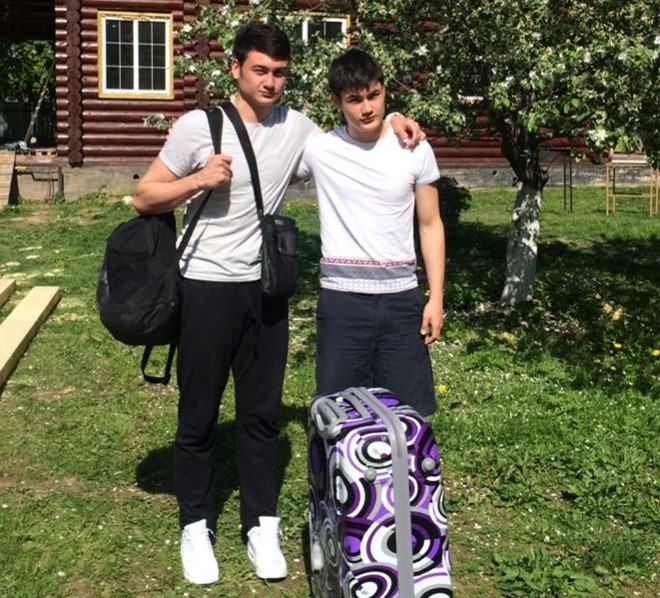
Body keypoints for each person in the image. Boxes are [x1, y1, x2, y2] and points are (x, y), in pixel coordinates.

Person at [132, 23, 423, 586]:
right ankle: (195, 525)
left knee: (262, 415)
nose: (270, 81)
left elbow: (354, 128)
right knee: (198, 414)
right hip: (205, 287)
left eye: (280, 73)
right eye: (260, 70)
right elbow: (145, 196)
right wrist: (198, 179)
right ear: (236, 69)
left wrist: (393, 120)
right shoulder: (200, 126)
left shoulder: (298, 129)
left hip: (265, 290)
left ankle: (261, 523)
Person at [297, 49, 445, 417]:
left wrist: (436, 298)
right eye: (354, 99)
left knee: (408, 413)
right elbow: (267, 161)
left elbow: (430, 224)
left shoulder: (413, 148)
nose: (367, 108)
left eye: (374, 96)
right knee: (340, 413)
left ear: (384, 91)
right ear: (337, 102)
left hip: (402, 300)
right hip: (342, 301)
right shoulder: (320, 149)